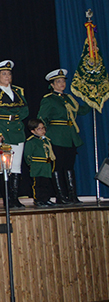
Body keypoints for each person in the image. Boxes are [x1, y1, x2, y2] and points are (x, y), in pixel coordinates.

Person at [37, 69, 90, 205]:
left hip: (70, 136)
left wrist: (91, 101)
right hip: (56, 136)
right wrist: (45, 134)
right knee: (57, 166)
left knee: (69, 166)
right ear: (52, 85)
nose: (62, 84)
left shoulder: (68, 98)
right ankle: (60, 195)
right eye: (58, 82)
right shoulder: (48, 100)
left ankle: (72, 195)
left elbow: (80, 110)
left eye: (63, 81)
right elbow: (42, 118)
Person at [0, 60, 29, 208]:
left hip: (17, 131)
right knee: (4, 167)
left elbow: (25, 111)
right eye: (3, 74)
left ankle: (15, 198)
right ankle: (7, 199)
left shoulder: (18, 91)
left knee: (16, 167)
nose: (7, 76)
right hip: (2, 132)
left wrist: (12, 115)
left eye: (9, 74)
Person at [24, 119, 57, 207]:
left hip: (46, 166)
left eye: (43, 128)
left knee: (46, 184)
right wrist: (32, 165)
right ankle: (39, 200)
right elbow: (27, 156)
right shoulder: (31, 141)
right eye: (39, 129)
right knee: (38, 184)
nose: (43, 131)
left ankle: (46, 199)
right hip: (37, 166)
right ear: (33, 131)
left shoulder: (46, 140)